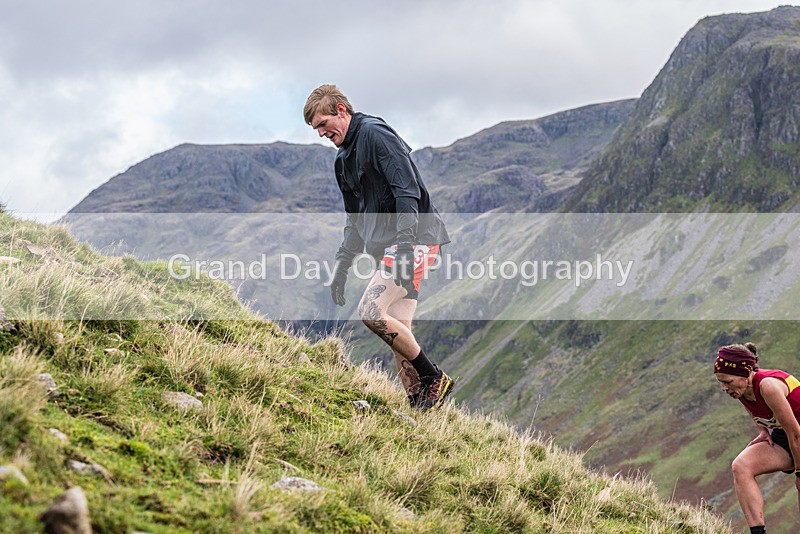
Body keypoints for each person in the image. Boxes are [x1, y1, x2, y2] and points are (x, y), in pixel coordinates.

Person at [303, 84, 453, 411]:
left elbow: (407, 191)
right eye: (315, 129)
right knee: (398, 332)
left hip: (414, 239)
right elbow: (354, 220)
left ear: (341, 110)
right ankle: (422, 409)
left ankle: (434, 377)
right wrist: (342, 268)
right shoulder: (342, 160)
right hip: (391, 247)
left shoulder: (375, 133)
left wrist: (403, 245)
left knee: (371, 312)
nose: (320, 133)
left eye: (322, 124)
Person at [714, 343, 800, 533]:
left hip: (796, 436)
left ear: (744, 375)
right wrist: (762, 431)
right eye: (721, 382)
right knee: (741, 466)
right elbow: (753, 408)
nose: (723, 388)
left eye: (727, 381)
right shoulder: (742, 389)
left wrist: (799, 472)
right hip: (783, 437)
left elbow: (795, 434)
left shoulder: (768, 386)